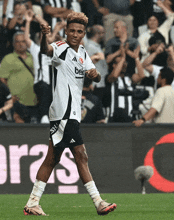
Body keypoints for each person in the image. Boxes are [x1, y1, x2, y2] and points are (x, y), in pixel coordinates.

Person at [23, 11, 117, 216]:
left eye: (79, 31)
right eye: (72, 30)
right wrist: (43, 35)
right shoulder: (60, 48)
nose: (75, 34)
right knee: (81, 155)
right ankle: (99, 202)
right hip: (64, 112)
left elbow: (97, 76)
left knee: (52, 159)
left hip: (70, 112)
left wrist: (95, 73)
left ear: (83, 34)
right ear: (66, 31)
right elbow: (45, 50)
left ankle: (33, 202)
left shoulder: (82, 52)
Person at [0, 32, 37, 123]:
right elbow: (2, 80)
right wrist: (10, 95)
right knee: (20, 131)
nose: (20, 44)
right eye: (17, 42)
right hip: (17, 102)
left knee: (35, 131)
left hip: (34, 100)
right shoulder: (8, 59)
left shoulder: (34, 57)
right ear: (13, 44)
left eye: (23, 41)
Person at [105, 44, 145, 122]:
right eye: (120, 63)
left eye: (125, 62)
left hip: (130, 118)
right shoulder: (109, 77)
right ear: (114, 65)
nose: (124, 64)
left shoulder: (129, 78)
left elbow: (141, 76)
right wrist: (123, 57)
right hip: (114, 118)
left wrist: (136, 58)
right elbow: (114, 76)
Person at [138, 0, 174, 68]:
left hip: (164, 59)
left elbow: (171, 16)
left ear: (158, 22)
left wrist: (162, 6)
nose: (152, 22)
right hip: (149, 62)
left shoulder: (163, 29)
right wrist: (150, 48)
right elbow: (142, 50)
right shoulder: (143, 35)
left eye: (154, 20)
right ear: (147, 23)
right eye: (150, 20)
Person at [84, 24, 108, 103]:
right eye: (103, 33)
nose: (104, 35)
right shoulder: (90, 46)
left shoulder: (97, 46)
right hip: (94, 84)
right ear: (98, 34)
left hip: (100, 83)